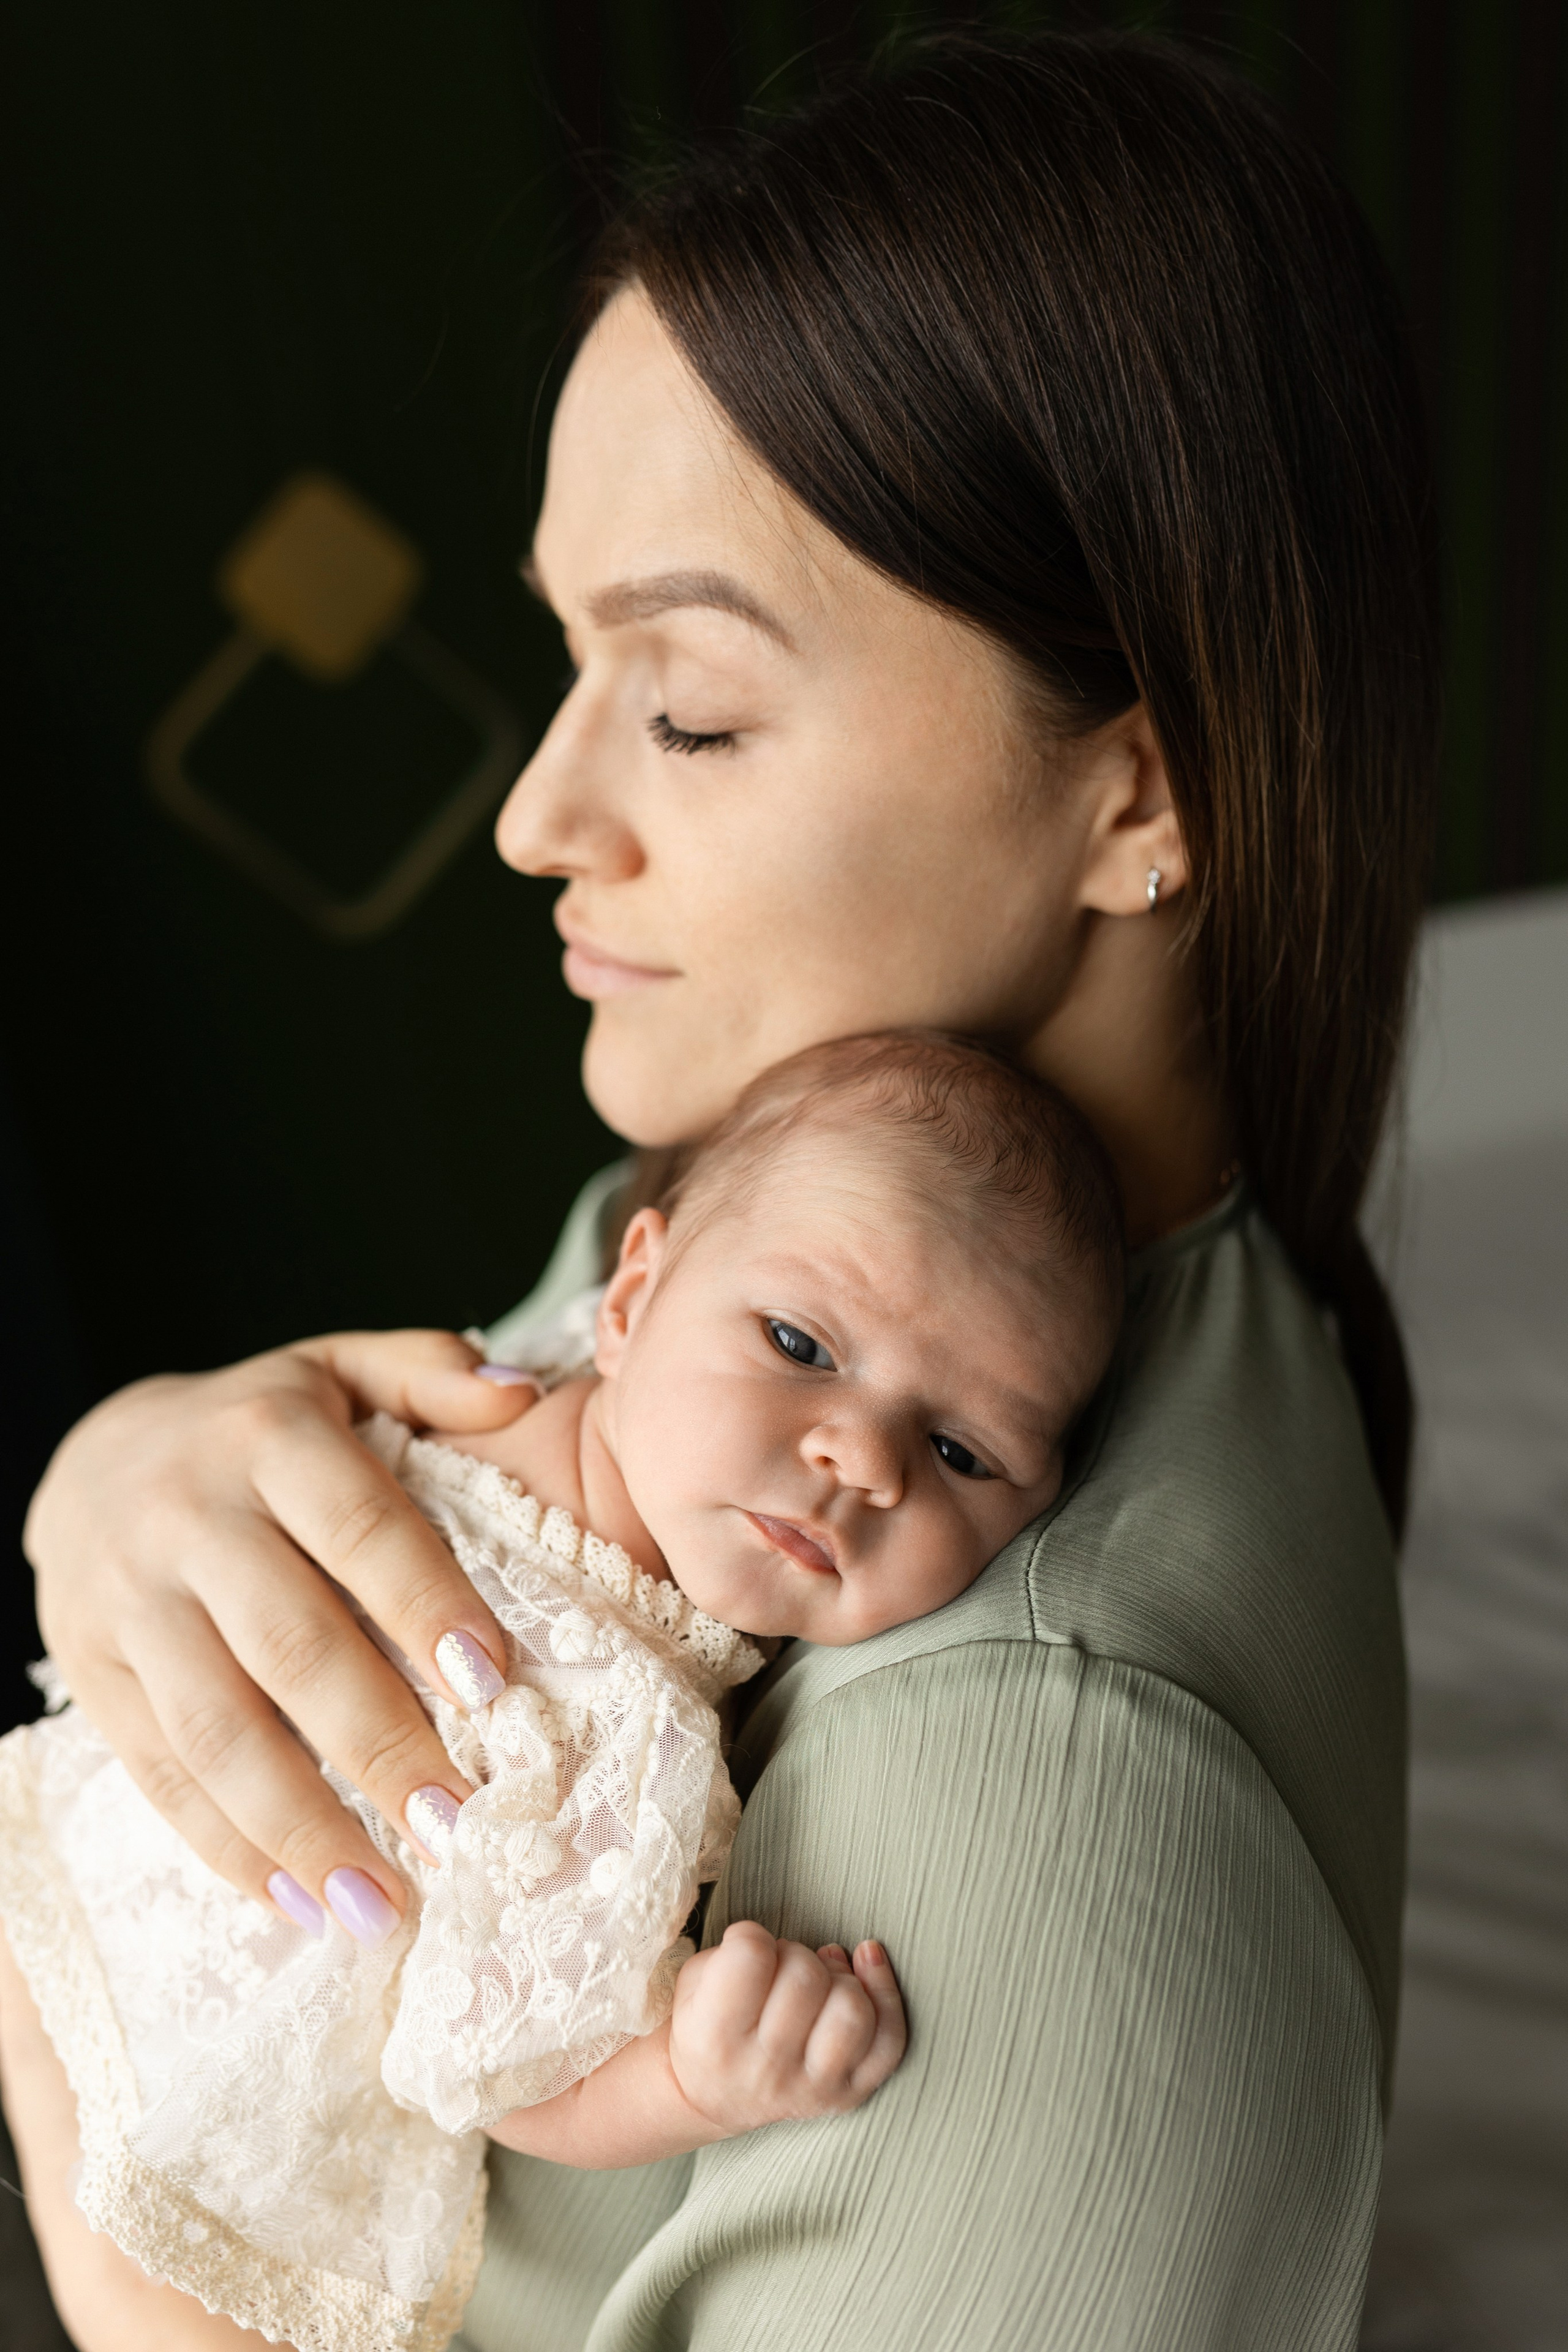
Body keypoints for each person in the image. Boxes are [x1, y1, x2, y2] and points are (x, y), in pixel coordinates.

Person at [2, 28, 1437, 2352]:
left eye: (683, 704)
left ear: (1138, 800)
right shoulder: (818, 1220)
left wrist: (85, 2166)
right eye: (574, 663)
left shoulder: (1017, 1847)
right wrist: (123, 1486)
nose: (534, 816)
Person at [0, 1031, 1119, 2352]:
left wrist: (688, 2079)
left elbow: (496, 2072)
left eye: (958, 1451)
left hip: (222, 2164)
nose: (858, 1458)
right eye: (796, 1341)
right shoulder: (462, 1394)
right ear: (631, 1294)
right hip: (56, 1879)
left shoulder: (632, 1728)